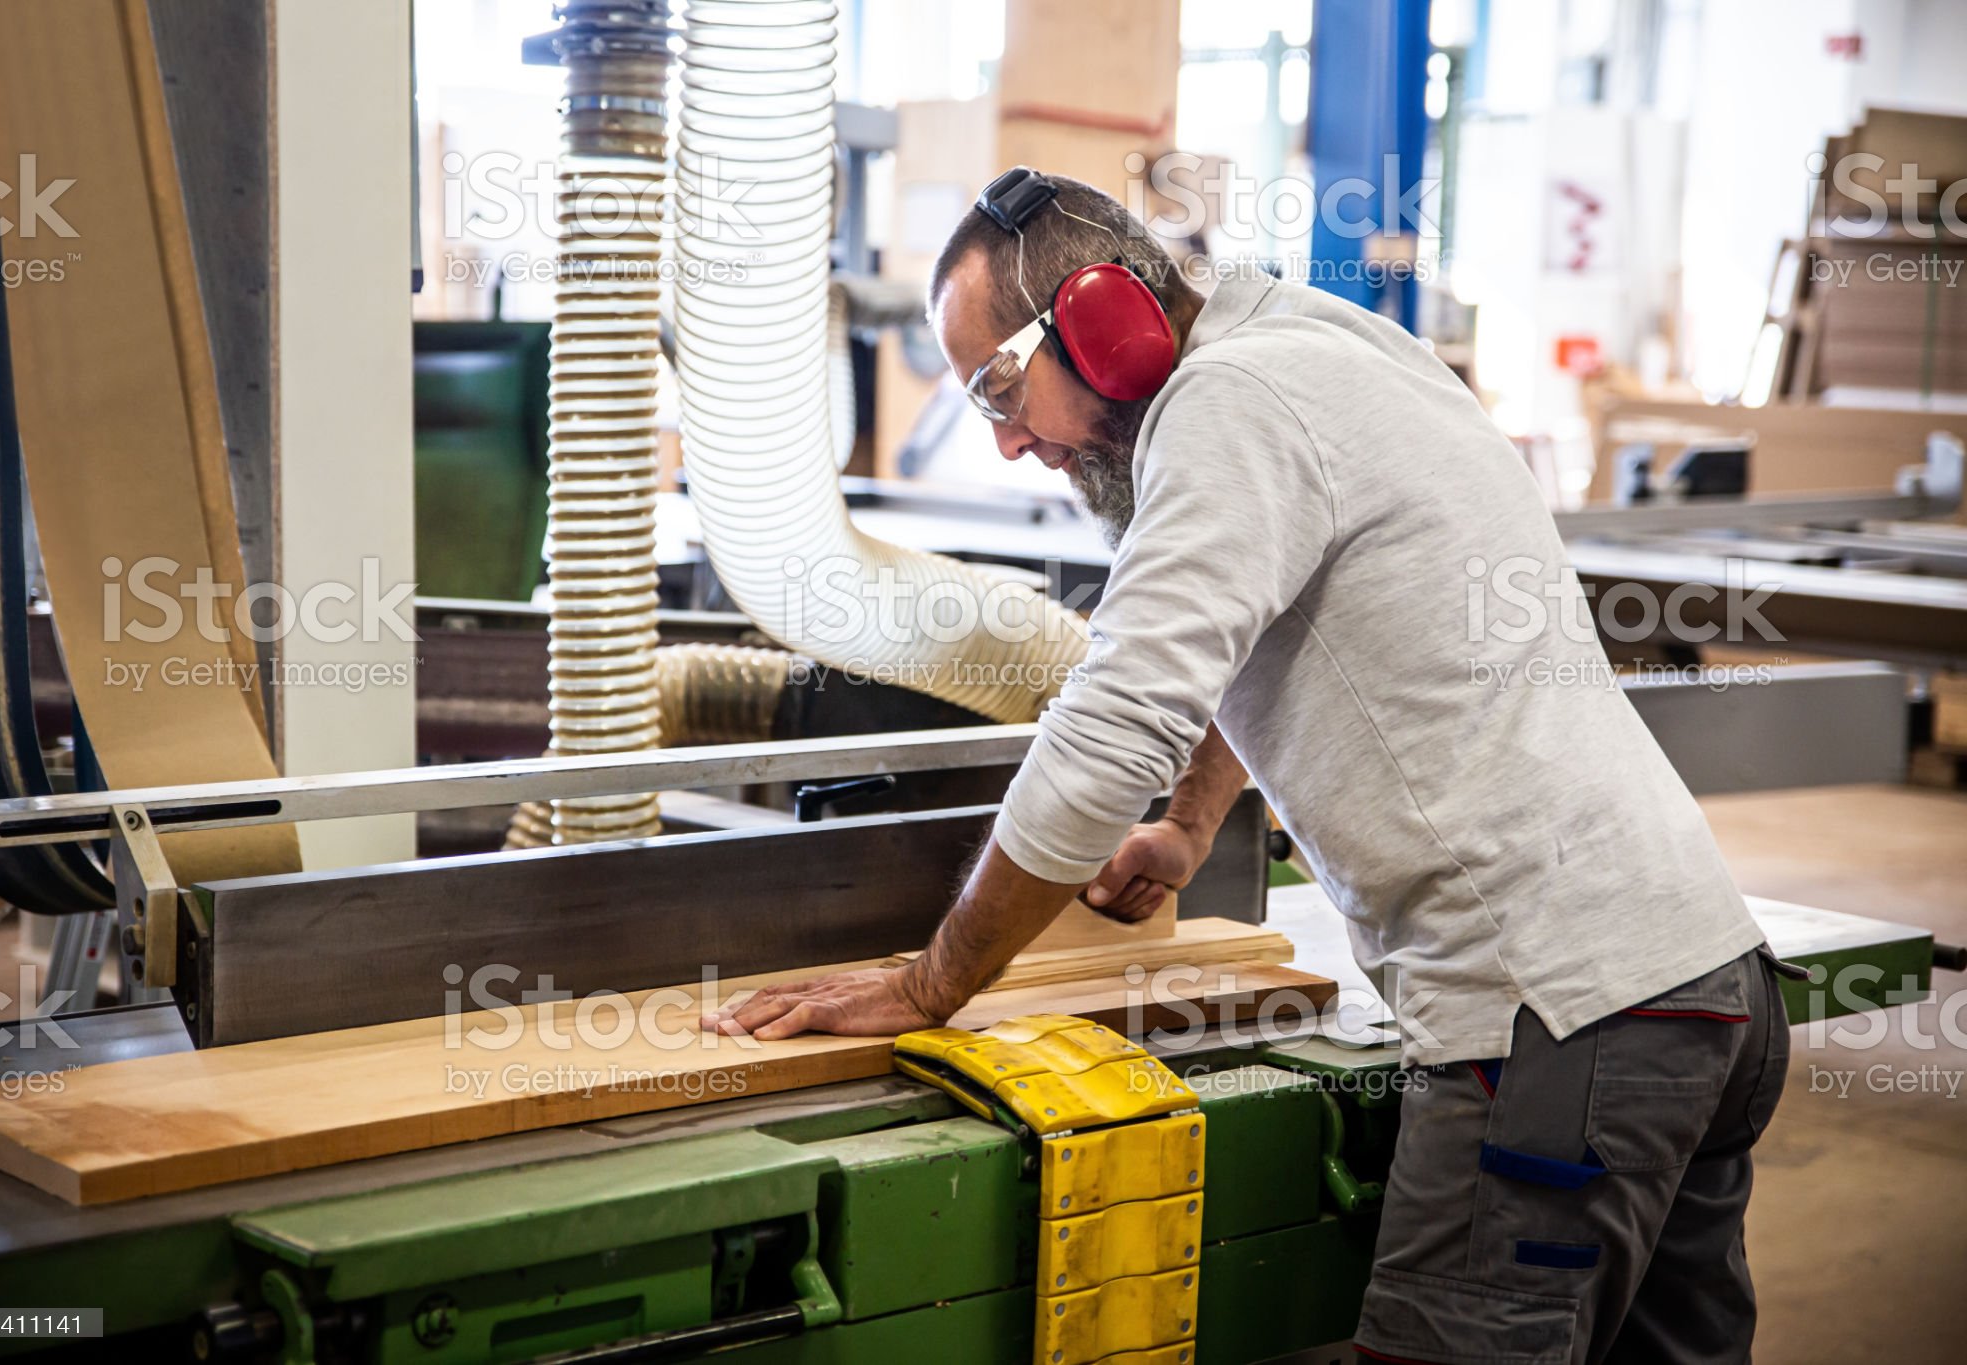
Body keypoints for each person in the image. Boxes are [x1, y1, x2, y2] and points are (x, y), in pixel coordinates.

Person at [701, 168, 1792, 1364]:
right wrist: (1186, 823)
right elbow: (1264, 622)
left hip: (1556, 1020)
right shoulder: (1323, 343)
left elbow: (1112, 721)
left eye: (1000, 389)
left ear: (1104, 321)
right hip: (1700, 985)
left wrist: (927, 986)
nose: (1009, 441)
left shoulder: (1226, 404)